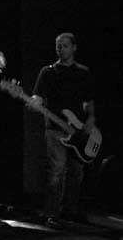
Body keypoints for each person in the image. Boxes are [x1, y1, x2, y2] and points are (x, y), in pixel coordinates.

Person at [30, 32, 96, 227]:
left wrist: (91, 119)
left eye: (65, 45)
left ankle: (71, 210)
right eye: (58, 45)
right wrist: (33, 102)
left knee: (76, 173)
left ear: (74, 47)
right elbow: (38, 97)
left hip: (79, 131)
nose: (60, 49)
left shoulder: (83, 72)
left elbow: (89, 100)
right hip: (55, 129)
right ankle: (51, 213)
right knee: (56, 171)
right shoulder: (48, 72)